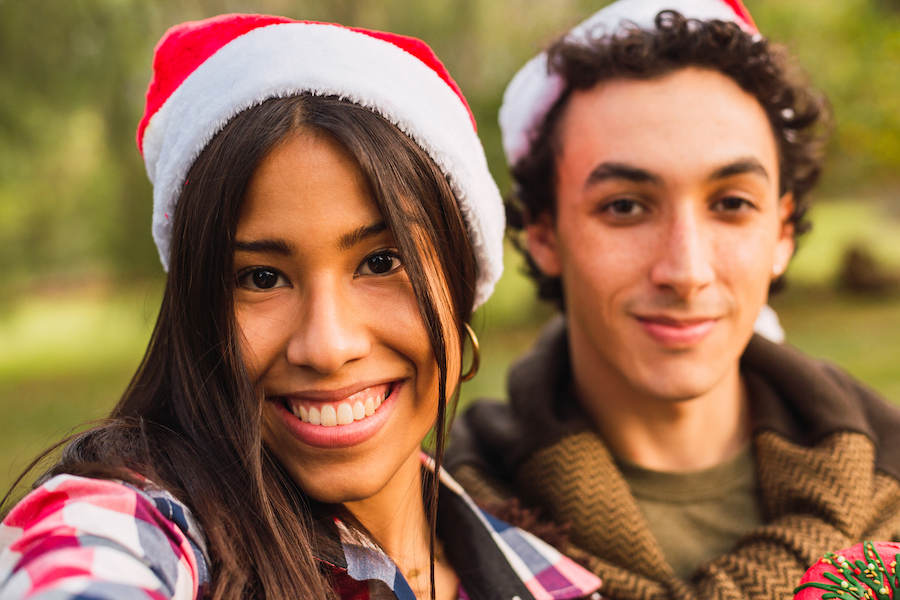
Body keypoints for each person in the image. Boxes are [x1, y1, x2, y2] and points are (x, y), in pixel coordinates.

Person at [0, 15, 602, 600]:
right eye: (262, 278)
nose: (328, 345)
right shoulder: (128, 524)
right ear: (196, 311)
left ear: (461, 290)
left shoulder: (546, 576)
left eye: (381, 262)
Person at [446, 0, 900, 598]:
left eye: (731, 203)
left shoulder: (886, 474)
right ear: (543, 233)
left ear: (783, 232)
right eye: (625, 207)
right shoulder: (447, 525)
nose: (685, 271)